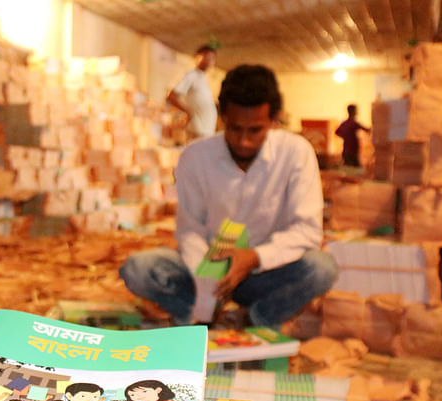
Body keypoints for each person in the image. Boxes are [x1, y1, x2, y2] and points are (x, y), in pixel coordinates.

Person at [119, 64, 338, 328]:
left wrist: (253, 258)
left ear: (273, 121)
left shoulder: (296, 153)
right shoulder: (195, 157)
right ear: (221, 116)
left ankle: (253, 319)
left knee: (321, 268)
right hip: (206, 271)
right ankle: (201, 315)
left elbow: (307, 231)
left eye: (255, 130)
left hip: (264, 272)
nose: (244, 141)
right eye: (235, 128)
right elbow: (190, 230)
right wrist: (206, 284)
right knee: (138, 269)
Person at [167, 44, 218, 141]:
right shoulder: (192, 75)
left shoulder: (202, 78)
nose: (211, 61)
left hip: (206, 131)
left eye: (213, 58)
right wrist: (189, 112)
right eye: (208, 57)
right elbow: (172, 96)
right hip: (198, 131)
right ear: (199, 57)